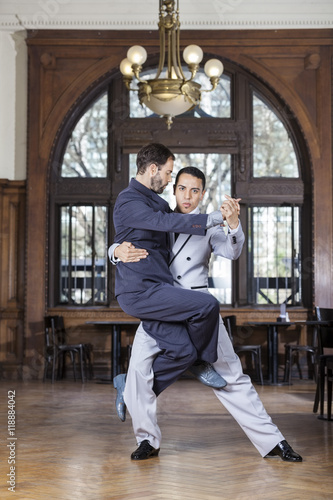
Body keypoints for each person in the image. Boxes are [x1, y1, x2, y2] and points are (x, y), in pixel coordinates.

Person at [112, 166, 303, 463]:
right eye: (182, 188)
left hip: (197, 306)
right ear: (173, 189)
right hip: (159, 305)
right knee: (139, 371)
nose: (188, 196)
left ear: (203, 194)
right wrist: (114, 250)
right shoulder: (156, 220)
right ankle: (147, 440)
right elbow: (125, 243)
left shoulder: (208, 227)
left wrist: (234, 222)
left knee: (232, 378)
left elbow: (232, 251)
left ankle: (274, 442)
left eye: (196, 190)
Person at [112, 143, 228, 399]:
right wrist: (212, 218)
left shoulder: (159, 204)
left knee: (183, 352)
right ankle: (203, 362)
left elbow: (166, 222)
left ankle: (128, 387)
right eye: (167, 173)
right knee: (208, 305)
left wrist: (114, 249)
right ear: (153, 169)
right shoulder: (128, 200)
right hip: (140, 290)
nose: (168, 180)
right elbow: (159, 223)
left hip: (159, 290)